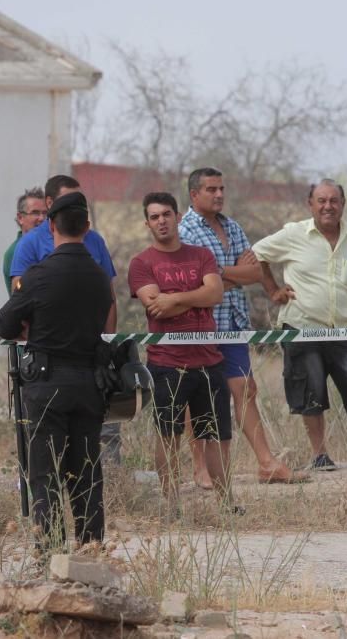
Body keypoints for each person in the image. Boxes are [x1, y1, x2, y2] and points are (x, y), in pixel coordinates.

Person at [252, 178, 347, 471]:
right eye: (321, 200)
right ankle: (320, 455)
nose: (328, 206)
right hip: (302, 327)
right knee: (310, 391)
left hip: (345, 328)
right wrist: (273, 290)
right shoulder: (292, 234)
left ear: (343, 205)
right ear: (310, 204)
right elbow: (255, 256)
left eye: (334, 201)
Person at [0, 191, 111, 547]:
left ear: (50, 226)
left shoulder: (38, 275)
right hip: (90, 382)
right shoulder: (98, 276)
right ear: (87, 227)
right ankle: (91, 545)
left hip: (46, 383)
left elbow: (4, 325)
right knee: (87, 470)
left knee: (45, 471)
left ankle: (50, 547)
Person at [178, 167, 304, 485]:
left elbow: (255, 273)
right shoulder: (186, 231)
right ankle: (200, 467)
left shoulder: (232, 227)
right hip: (200, 324)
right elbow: (198, 279)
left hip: (233, 323)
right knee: (199, 395)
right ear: (194, 194)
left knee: (245, 388)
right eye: (211, 189)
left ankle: (266, 463)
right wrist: (229, 276)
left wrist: (223, 275)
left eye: (221, 188)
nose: (219, 194)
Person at [128, 192, 236, 512]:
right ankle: (172, 504)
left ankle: (226, 502)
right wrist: (194, 295)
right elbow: (153, 305)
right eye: (155, 216)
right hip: (167, 363)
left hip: (209, 361)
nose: (162, 221)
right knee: (168, 436)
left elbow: (215, 293)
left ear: (177, 216)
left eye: (167, 214)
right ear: (147, 223)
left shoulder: (201, 254)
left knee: (214, 436)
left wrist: (174, 298)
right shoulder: (141, 263)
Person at [10, 174, 122, 463]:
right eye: (68, 199)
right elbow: (18, 302)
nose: (77, 205)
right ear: (50, 205)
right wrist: (33, 346)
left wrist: (107, 345)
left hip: (90, 357)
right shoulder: (30, 244)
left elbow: (110, 298)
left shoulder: (95, 241)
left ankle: (113, 487)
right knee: (46, 447)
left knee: (97, 441)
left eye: (80, 200)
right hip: (48, 360)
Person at [2, 188, 47, 290]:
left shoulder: (51, 244)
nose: (42, 218)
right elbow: (20, 291)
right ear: (20, 218)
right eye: (35, 213)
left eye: (45, 213)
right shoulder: (14, 252)